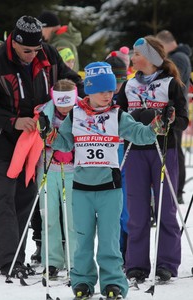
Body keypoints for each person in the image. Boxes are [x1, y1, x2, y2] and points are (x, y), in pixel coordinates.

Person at [45, 61, 174, 299]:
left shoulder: (118, 115)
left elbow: (141, 135)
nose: (108, 95)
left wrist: (157, 125)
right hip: (82, 189)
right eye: (102, 90)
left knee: (109, 242)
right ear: (90, 90)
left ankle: (113, 283)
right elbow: (63, 143)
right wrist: (49, 133)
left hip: (110, 190)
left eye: (111, 90)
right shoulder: (75, 115)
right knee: (82, 241)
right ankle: (82, 282)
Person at [0, 15, 84, 278]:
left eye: (37, 49)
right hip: (3, 141)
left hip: (37, 140)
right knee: (4, 199)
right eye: (27, 51)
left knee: (26, 197)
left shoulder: (48, 53)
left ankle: (20, 256)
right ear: (15, 41)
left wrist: (80, 90)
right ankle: (9, 260)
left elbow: (68, 78)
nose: (33, 55)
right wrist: (13, 121)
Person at [116, 36, 188, 283]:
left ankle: (167, 263)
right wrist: (136, 115)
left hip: (163, 150)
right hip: (135, 151)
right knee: (136, 212)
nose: (132, 58)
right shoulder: (127, 86)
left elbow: (183, 121)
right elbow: (117, 116)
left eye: (137, 54)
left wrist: (165, 117)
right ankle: (136, 264)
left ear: (152, 57)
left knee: (166, 209)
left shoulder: (171, 84)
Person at [36, 79, 77, 276]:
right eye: (60, 101)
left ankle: (76, 260)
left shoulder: (81, 111)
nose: (65, 107)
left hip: (74, 172)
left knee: (73, 219)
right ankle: (51, 261)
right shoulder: (45, 111)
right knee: (49, 217)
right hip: (48, 169)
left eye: (69, 101)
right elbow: (33, 139)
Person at [156, 30, 192, 204]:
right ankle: (176, 188)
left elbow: (171, 83)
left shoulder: (177, 59)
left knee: (174, 150)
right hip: (176, 110)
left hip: (175, 112)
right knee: (174, 149)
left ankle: (176, 189)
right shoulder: (181, 57)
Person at [105, 53, 129, 263]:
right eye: (114, 81)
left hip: (126, 157)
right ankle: (113, 254)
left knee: (127, 211)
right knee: (111, 212)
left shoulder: (128, 93)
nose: (117, 86)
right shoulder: (98, 96)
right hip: (105, 159)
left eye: (121, 81)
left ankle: (127, 252)